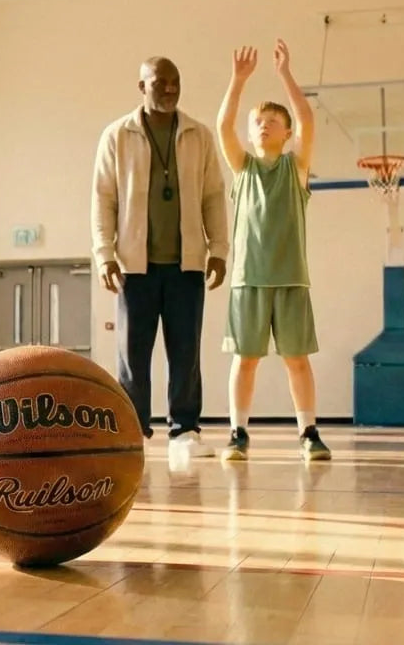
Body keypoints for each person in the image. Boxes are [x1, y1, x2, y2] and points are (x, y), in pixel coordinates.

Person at [91, 56, 229, 458]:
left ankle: (185, 430)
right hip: (135, 267)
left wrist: (218, 249)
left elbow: (213, 196)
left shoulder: (199, 135)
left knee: (186, 351)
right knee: (133, 354)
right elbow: (103, 198)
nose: (169, 88)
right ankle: (133, 430)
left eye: (175, 82)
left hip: (186, 265)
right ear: (142, 86)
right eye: (160, 82)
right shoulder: (117, 136)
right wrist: (104, 255)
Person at [214, 40, 332, 463]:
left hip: (291, 278)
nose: (264, 125)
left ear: (286, 134)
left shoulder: (294, 167)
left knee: (296, 359)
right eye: (258, 121)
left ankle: (309, 433)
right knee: (245, 360)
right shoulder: (242, 169)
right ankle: (237, 433)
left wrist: (284, 74)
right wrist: (238, 80)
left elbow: (306, 118)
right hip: (248, 279)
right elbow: (223, 126)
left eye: (272, 121)